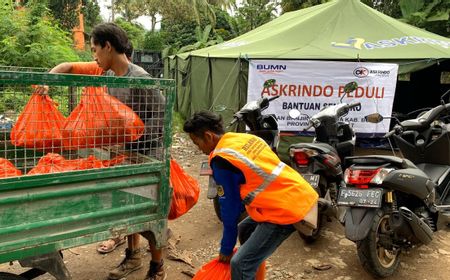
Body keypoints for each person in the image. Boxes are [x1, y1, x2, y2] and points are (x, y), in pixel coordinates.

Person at [40, 23, 166, 280]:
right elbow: (70, 68)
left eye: (95, 49)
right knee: (129, 208)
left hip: (148, 155)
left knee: (149, 214)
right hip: (125, 153)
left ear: (108, 47)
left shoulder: (139, 78)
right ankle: (133, 256)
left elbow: (162, 116)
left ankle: (158, 266)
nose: (94, 56)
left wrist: (136, 136)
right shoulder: (108, 75)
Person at [183, 111, 319, 279]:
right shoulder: (245, 139)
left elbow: (230, 210)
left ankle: (246, 269)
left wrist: (226, 248)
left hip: (284, 209)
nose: (199, 149)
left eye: (197, 143)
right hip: (295, 192)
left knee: (239, 263)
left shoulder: (222, 160)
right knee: (245, 229)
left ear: (208, 136)